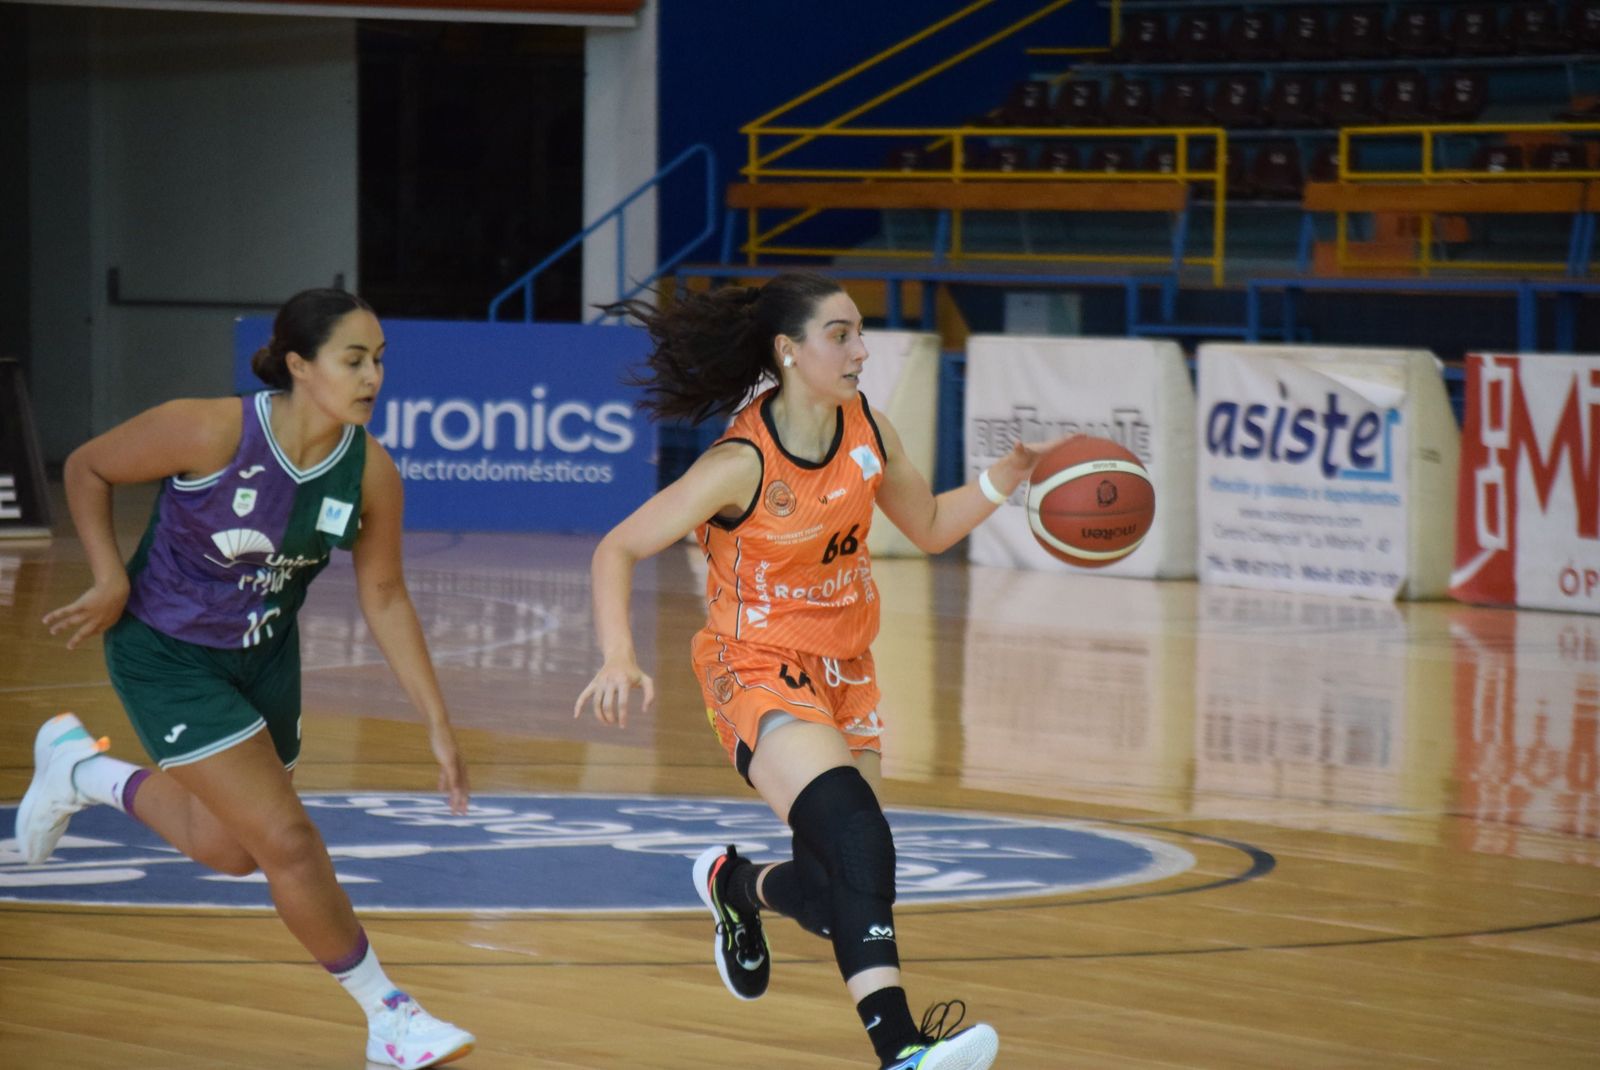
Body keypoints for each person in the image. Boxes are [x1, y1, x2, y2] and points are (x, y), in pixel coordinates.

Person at [575, 272, 1060, 1070]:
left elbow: (932, 526)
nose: (861, 350)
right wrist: (619, 654)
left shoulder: (866, 422)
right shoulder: (740, 462)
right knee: (862, 840)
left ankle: (738, 887)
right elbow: (617, 547)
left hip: (847, 669)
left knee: (841, 890)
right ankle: (901, 1048)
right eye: (841, 334)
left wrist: (1003, 479)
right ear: (789, 351)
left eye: (860, 332)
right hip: (755, 664)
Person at [20, 288, 476, 1069]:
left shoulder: (370, 471)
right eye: (353, 359)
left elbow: (385, 594)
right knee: (290, 844)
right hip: (166, 653)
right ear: (299, 365)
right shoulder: (211, 427)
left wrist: (436, 719)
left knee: (231, 850)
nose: (372, 377)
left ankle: (82, 772)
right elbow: (89, 467)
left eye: (379, 361)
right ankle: (389, 1016)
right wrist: (109, 575)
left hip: (264, 660)